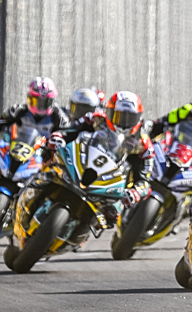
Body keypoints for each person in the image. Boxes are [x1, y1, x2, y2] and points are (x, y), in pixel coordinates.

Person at [47, 91, 155, 226]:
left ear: (138, 119)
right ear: (108, 112)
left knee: (112, 215)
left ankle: (82, 230)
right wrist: (59, 137)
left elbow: (145, 180)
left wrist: (136, 192)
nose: (123, 122)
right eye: (118, 116)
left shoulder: (143, 144)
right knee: (48, 166)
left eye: (129, 118)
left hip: (111, 183)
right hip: (82, 163)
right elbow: (70, 131)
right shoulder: (95, 119)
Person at [0, 77, 70, 146]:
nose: (40, 106)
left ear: (52, 101)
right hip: (17, 156)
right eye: (37, 101)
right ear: (29, 98)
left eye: (45, 102)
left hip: (45, 161)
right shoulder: (18, 110)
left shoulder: (59, 116)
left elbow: (69, 138)